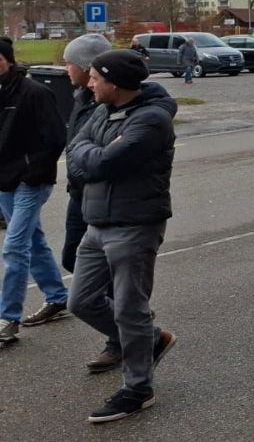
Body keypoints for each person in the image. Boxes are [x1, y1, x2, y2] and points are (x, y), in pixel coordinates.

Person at [66, 50, 178, 423]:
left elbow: (100, 163)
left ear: (114, 83)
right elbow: (76, 148)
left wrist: (90, 157)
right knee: (80, 300)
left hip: (134, 225)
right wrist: (91, 156)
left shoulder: (152, 120)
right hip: (97, 222)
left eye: (96, 77)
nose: (90, 83)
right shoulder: (101, 110)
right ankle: (149, 339)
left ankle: (138, 388)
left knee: (130, 308)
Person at [0, 36, 69, 345]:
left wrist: (33, 173)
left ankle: (7, 319)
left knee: (15, 247)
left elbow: (55, 138)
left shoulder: (35, 92)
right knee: (34, 240)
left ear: (7, 60)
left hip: (31, 181)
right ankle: (57, 296)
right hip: (4, 181)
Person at [60, 35, 115, 273]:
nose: (65, 69)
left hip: (99, 194)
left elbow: (100, 151)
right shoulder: (81, 97)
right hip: (78, 192)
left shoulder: (105, 103)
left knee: (99, 261)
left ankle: (123, 307)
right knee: (72, 258)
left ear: (84, 67)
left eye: (68, 62)